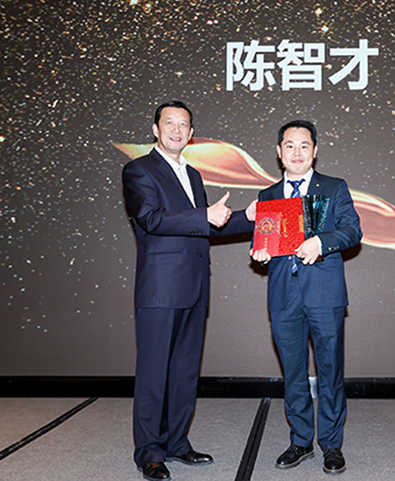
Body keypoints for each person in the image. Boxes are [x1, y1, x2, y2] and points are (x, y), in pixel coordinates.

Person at [122, 100, 256, 481]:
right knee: (153, 372)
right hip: (160, 289)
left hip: (195, 287)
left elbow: (206, 226)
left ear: (192, 133)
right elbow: (151, 218)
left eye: (184, 124)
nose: (177, 129)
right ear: (155, 129)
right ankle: (149, 452)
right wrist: (204, 215)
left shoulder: (194, 175)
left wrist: (250, 218)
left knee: (184, 371)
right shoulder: (138, 170)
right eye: (170, 123)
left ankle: (177, 443)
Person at [251, 120, 362, 475]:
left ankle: (331, 444)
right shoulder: (268, 196)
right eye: (289, 145)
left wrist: (321, 242)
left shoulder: (333, 187)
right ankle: (300, 441)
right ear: (279, 152)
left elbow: (352, 230)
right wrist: (261, 253)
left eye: (303, 145)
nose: (296, 152)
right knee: (294, 373)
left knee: (330, 371)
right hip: (284, 295)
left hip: (325, 294)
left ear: (314, 150)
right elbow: (265, 241)